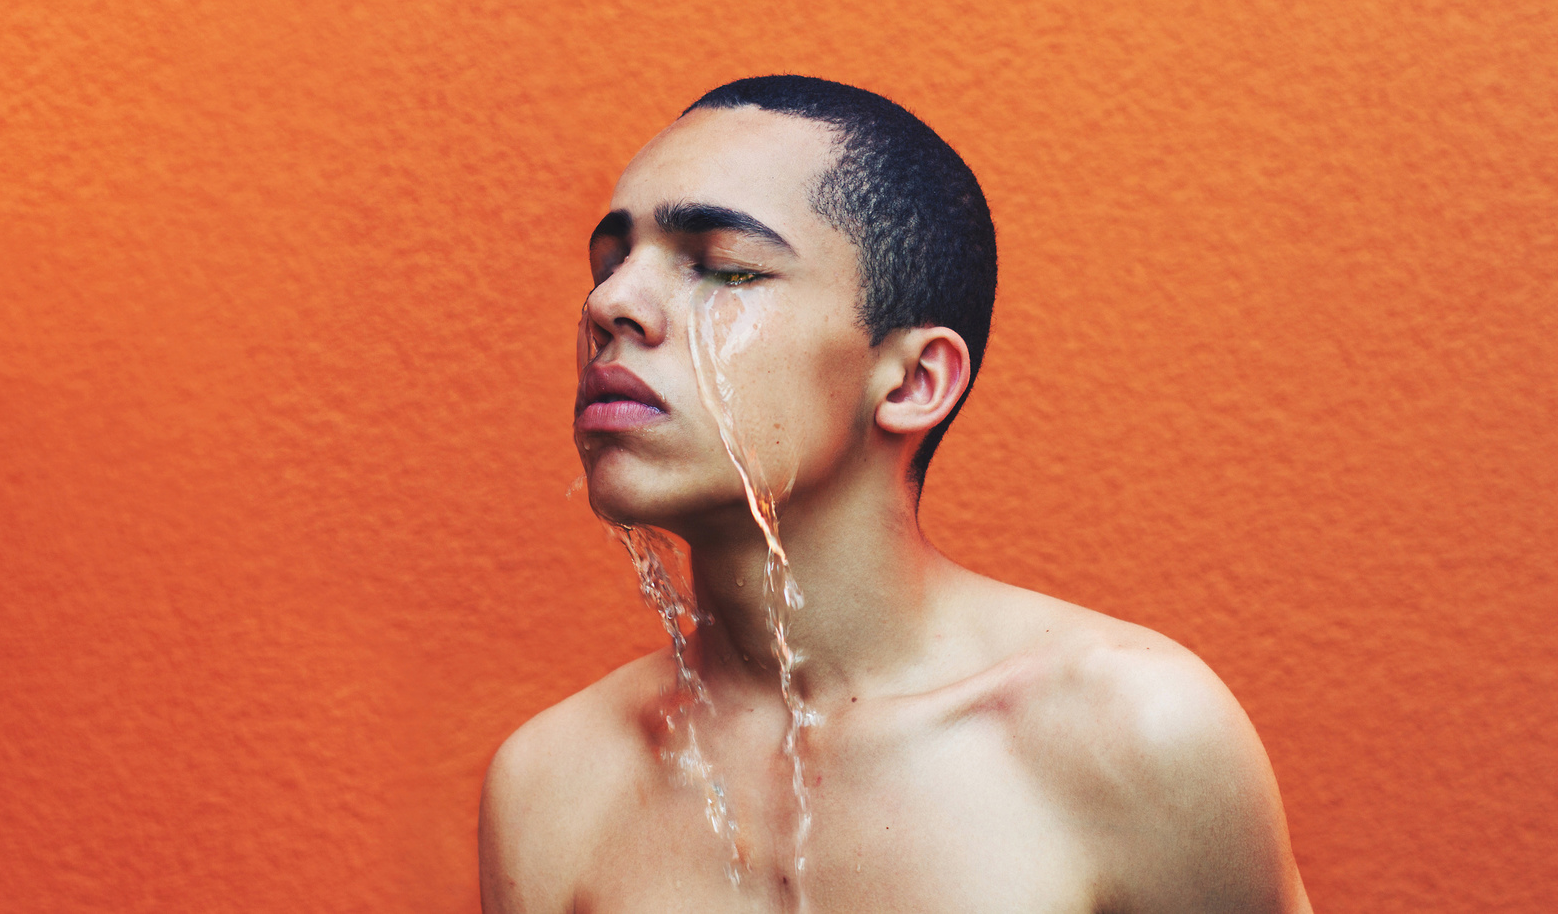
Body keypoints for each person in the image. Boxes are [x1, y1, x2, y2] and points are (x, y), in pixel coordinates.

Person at [480, 76, 1312, 913]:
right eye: (610, 262)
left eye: (724, 269)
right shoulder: (551, 787)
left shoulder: (1131, 735)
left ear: (913, 379)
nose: (609, 302)